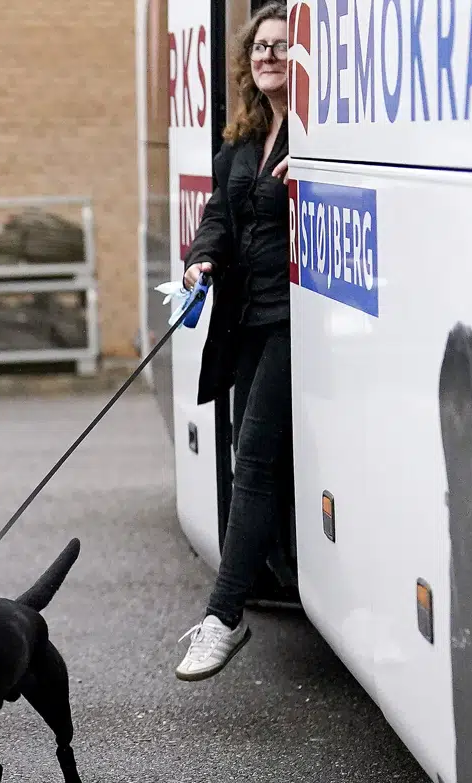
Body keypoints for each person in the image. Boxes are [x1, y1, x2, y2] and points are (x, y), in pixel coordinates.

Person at [173, 2, 294, 681]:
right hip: (245, 321)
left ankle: (223, 616)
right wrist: (200, 258)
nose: (269, 56)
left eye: (282, 47)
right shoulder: (242, 146)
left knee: (250, 463)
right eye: (260, 49)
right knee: (246, 459)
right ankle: (264, 569)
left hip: (290, 324)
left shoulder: (313, 140)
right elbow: (217, 219)